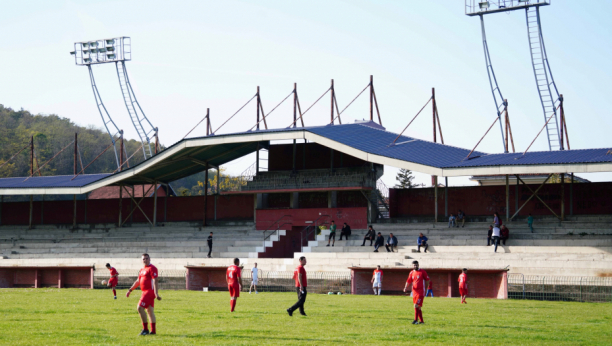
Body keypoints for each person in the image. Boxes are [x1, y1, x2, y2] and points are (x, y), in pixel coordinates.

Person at [126, 253, 161, 336]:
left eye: (146, 258)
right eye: (143, 259)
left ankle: (145, 329)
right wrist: (130, 290)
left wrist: (156, 293)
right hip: (144, 292)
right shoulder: (142, 269)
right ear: (142, 260)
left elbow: (155, 281)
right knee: (150, 311)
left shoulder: (152, 268)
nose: (145, 260)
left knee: (139, 308)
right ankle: (153, 331)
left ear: (150, 259)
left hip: (149, 292)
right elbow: (138, 281)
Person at [404, 260, 430, 325]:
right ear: (412, 266)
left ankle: (415, 320)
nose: (415, 266)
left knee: (416, 305)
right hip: (414, 292)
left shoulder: (422, 272)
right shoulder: (411, 272)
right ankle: (422, 321)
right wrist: (405, 287)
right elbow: (408, 281)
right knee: (418, 307)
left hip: (421, 292)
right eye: (414, 265)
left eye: (416, 265)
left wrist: (426, 288)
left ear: (418, 265)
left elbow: (427, 280)